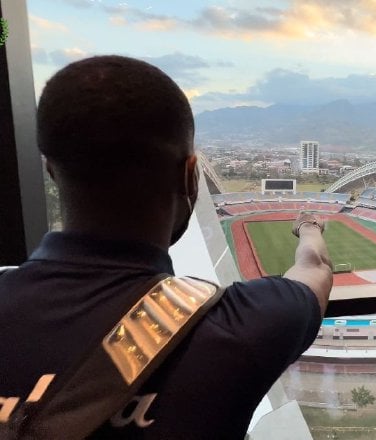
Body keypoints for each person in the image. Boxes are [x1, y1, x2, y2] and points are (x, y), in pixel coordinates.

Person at [0, 55, 333, 438]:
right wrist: (308, 226)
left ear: (51, 172)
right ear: (191, 176)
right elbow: (316, 267)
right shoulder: (244, 324)